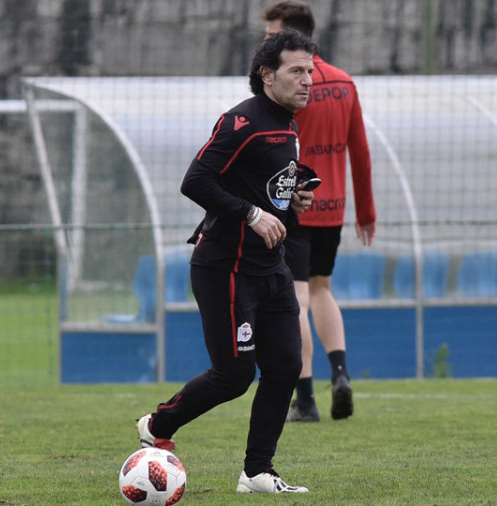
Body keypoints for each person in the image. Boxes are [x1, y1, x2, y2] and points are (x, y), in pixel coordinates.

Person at [135, 31, 318, 494]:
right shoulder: (243, 121)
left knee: (285, 366)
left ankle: (257, 472)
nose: (307, 80)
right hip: (225, 267)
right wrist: (253, 214)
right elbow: (195, 180)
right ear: (267, 74)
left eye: (310, 71)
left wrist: (287, 201)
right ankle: (158, 421)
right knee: (235, 375)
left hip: (270, 267)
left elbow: (262, 184)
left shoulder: (289, 124)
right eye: (297, 71)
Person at [263, 1, 377, 423]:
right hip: (334, 208)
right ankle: (342, 374)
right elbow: (360, 152)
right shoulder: (345, 84)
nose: (266, 43)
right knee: (323, 289)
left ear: (289, 36)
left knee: (295, 299)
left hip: (294, 207)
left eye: (272, 36)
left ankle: (306, 398)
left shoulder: (289, 85)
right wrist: (365, 210)